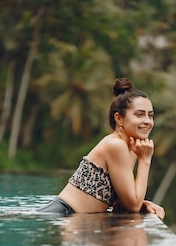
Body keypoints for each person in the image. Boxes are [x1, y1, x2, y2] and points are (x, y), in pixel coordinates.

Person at [39, 78, 165, 220]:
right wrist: (146, 160)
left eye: (150, 115)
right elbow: (133, 205)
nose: (147, 121)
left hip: (72, 218)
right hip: (61, 215)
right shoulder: (115, 145)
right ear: (119, 118)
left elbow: (124, 202)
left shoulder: (130, 148)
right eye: (139, 114)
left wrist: (142, 203)